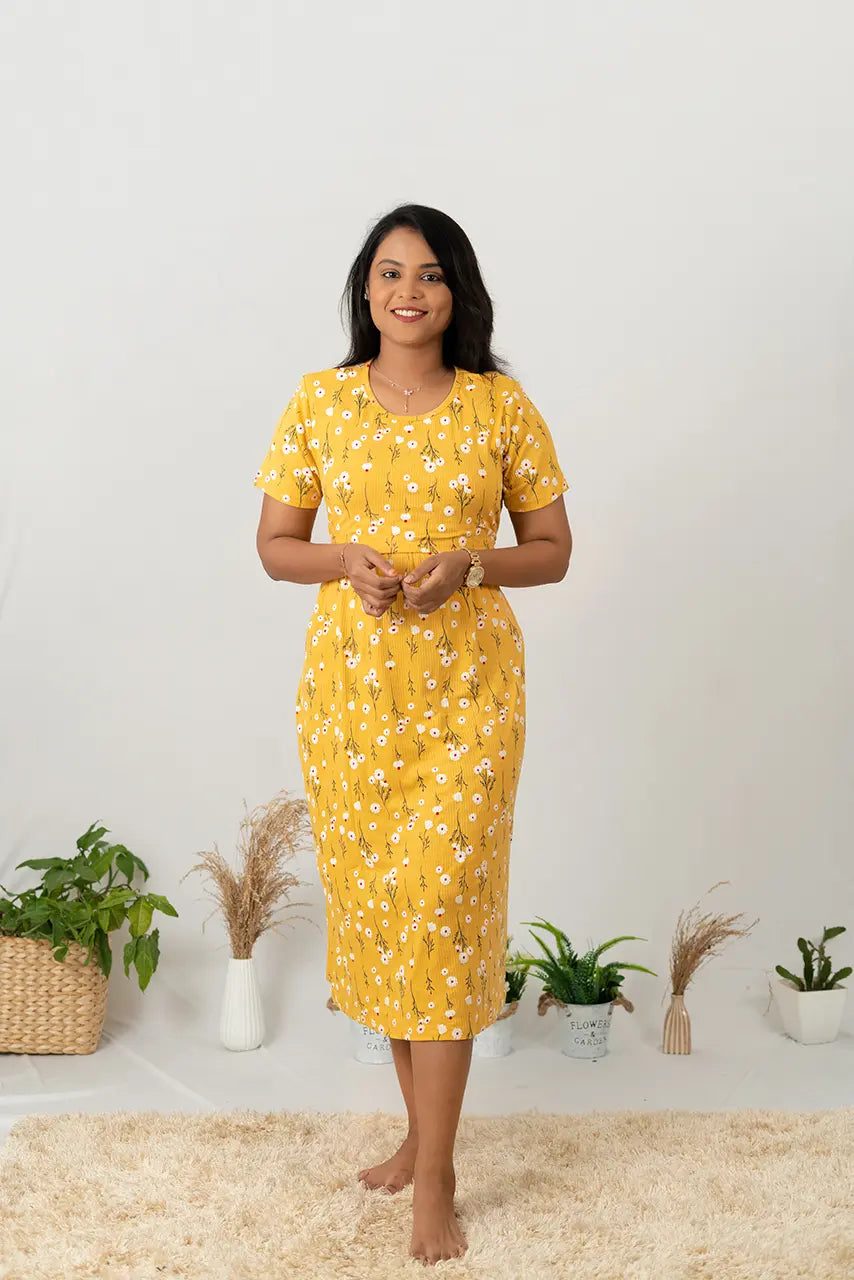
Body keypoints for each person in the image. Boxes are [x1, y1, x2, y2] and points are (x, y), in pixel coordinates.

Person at [253, 203, 572, 1266]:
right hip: (351, 701)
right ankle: (417, 1138)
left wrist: (468, 566)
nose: (408, 290)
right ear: (365, 288)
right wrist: (345, 559)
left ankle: (435, 1175)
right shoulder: (318, 400)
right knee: (390, 919)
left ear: (456, 291)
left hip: (469, 696)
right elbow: (275, 544)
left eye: (430, 274)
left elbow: (553, 548)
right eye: (390, 272)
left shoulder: (499, 405)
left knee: (441, 910)